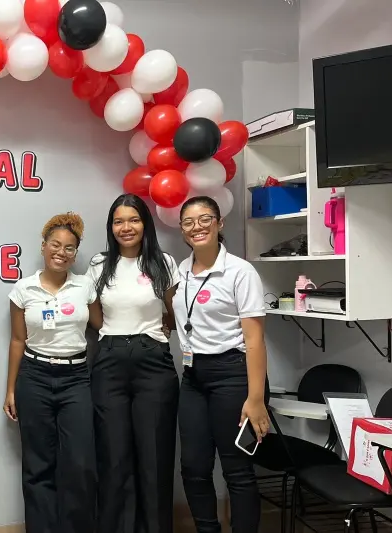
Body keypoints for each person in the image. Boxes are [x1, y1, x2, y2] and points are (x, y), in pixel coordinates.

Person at [172, 196, 270, 533]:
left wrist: (255, 399)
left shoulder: (240, 272)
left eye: (205, 219)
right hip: (193, 377)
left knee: (236, 469)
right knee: (193, 468)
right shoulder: (181, 271)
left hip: (232, 374)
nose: (196, 227)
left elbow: (255, 341)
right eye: (188, 222)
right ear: (182, 229)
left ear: (219, 223)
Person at [86, 193, 180, 533]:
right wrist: (118, 336)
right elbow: (94, 315)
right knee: (114, 455)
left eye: (134, 220)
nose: (126, 227)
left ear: (145, 224)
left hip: (153, 363)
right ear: (111, 227)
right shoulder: (99, 264)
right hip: (109, 361)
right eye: (118, 221)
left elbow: (175, 312)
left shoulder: (163, 262)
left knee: (155, 455)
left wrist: (151, 334)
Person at [4, 213, 98, 533]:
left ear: (75, 253)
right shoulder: (23, 289)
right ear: (43, 246)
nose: (61, 252)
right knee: (38, 465)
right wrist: (11, 389)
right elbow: (17, 340)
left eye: (69, 248)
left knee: (80, 464)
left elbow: (103, 326)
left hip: (76, 378)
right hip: (34, 377)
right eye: (55, 245)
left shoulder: (85, 286)